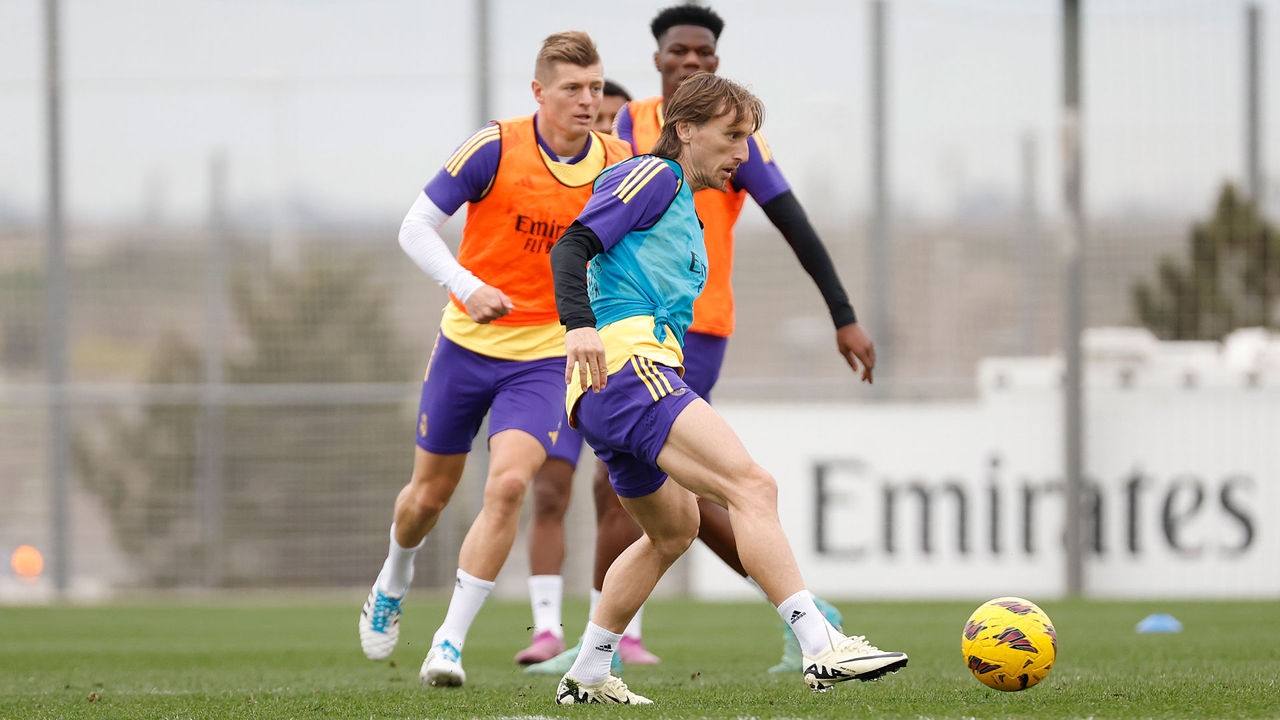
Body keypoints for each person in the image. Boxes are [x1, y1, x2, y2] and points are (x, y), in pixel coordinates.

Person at [527, 3, 872, 676]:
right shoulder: (652, 174)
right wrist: (579, 331)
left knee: (673, 530)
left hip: (615, 385)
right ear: (684, 128)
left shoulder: (679, 197)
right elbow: (571, 245)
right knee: (753, 486)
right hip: (632, 369)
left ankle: (591, 670)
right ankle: (821, 644)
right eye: (734, 136)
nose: (744, 153)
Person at [356, 30, 632, 689]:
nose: (587, 100)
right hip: (465, 348)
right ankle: (393, 578)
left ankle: (447, 645)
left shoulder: (619, 162)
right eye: (572, 88)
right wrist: (466, 285)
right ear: (539, 92)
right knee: (427, 497)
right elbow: (414, 227)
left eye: (595, 88)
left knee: (509, 484)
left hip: (544, 359)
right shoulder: (494, 147)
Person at [512, 78, 647, 668]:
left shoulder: (640, 187)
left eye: (616, 123)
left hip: (621, 357)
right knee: (548, 488)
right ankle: (546, 628)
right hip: (559, 350)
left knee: (622, 496)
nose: (606, 131)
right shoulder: (560, 184)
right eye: (598, 120)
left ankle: (616, 635)